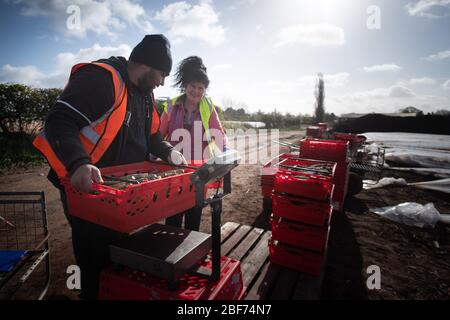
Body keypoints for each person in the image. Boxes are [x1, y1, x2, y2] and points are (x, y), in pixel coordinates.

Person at [33, 34, 186, 299]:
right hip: (85, 185)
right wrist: (79, 163)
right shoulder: (102, 78)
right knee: (93, 249)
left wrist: (169, 151)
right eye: (162, 74)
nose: (162, 82)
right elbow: (59, 120)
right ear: (149, 65)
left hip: (118, 190)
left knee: (117, 246)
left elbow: (152, 136)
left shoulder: (146, 96)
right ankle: (92, 293)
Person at [159, 56, 229, 231]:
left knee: (194, 213)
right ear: (185, 86)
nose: (196, 91)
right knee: (173, 215)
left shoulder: (208, 107)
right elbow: (159, 135)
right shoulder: (171, 105)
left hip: (199, 170)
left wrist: (226, 149)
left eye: (201, 88)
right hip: (174, 169)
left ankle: (191, 255)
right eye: (193, 86)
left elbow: (218, 134)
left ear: (205, 90)